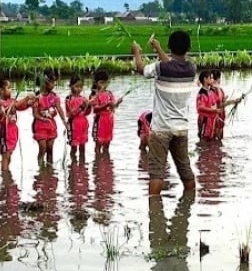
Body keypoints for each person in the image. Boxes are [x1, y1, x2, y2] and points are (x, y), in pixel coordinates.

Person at [132, 31, 197, 195]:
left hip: (161, 128)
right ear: (188, 48)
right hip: (181, 128)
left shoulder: (161, 67)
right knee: (185, 170)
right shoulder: (191, 68)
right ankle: (188, 203)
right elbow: (172, 64)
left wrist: (136, 52)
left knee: (156, 173)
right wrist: (158, 49)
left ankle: (155, 214)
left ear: (169, 47)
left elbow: (141, 69)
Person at [0, 78, 35, 172]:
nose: (11, 90)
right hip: (5, 131)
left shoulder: (12, 100)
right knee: (6, 155)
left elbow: (20, 106)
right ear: (1, 90)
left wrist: (30, 103)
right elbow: (15, 106)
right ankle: (5, 177)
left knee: (9, 155)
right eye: (9, 88)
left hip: (13, 131)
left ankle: (6, 177)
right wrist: (26, 98)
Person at [32, 69, 67, 164]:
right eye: (52, 82)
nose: (54, 84)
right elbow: (35, 113)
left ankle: (49, 172)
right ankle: (40, 168)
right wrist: (43, 118)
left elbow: (59, 109)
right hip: (40, 127)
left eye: (54, 82)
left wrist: (65, 122)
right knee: (42, 148)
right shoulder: (37, 97)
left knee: (50, 150)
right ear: (45, 82)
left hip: (51, 127)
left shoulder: (54, 97)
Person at [90, 69, 122, 153]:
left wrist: (117, 103)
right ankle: (97, 162)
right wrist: (107, 104)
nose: (104, 85)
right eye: (101, 82)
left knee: (107, 144)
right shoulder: (94, 95)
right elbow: (96, 109)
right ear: (96, 83)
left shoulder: (109, 93)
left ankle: (106, 162)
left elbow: (113, 107)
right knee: (98, 144)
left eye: (105, 82)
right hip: (100, 121)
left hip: (109, 121)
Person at [65, 74, 91, 158]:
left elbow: (86, 113)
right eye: (77, 86)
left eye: (81, 87)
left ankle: (82, 167)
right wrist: (81, 107)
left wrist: (89, 106)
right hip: (73, 126)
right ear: (71, 86)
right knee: (74, 147)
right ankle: (73, 166)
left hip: (83, 125)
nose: (79, 89)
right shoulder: (68, 99)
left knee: (82, 147)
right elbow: (70, 114)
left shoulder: (83, 99)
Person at [196, 70, 219, 142]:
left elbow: (218, 104)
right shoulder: (201, 94)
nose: (213, 80)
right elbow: (200, 108)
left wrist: (234, 101)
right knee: (204, 141)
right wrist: (214, 110)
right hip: (204, 121)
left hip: (212, 121)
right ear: (205, 79)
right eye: (211, 78)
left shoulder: (211, 92)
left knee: (211, 142)